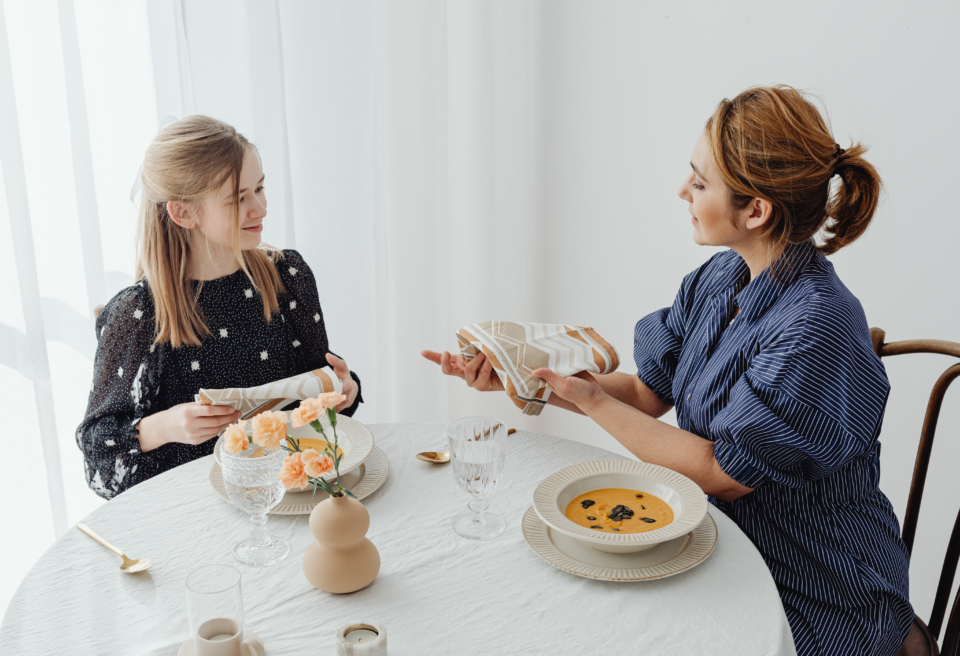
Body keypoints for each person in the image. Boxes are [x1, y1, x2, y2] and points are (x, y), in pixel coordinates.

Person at [423, 86, 912, 655]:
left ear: (756, 210)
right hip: (717, 537)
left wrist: (593, 403)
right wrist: (523, 375)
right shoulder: (720, 279)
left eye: (700, 184)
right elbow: (644, 393)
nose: (682, 191)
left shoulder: (814, 326)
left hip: (813, 577)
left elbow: (720, 472)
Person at [77, 115, 361, 500]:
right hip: (193, 518)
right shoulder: (138, 314)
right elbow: (99, 458)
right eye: (238, 199)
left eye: (260, 188)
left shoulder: (288, 275)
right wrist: (165, 427)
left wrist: (344, 389)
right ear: (183, 213)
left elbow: (316, 397)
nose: (259, 208)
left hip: (292, 500)